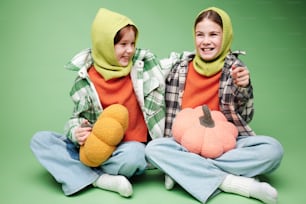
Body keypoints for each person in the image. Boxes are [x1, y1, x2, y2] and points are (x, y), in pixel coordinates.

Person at [145, 7, 283, 204]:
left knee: (273, 150)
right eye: (200, 35)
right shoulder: (179, 68)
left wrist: (243, 88)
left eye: (213, 34)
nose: (206, 41)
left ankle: (184, 171)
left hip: (224, 145)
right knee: (154, 149)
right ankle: (235, 183)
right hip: (184, 145)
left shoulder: (236, 70)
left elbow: (245, 117)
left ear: (225, 36)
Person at [30, 8, 166, 198]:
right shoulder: (85, 79)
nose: (129, 50)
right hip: (93, 146)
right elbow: (76, 119)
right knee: (41, 140)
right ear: (104, 45)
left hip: (125, 148)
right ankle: (100, 179)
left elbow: (172, 67)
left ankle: (80, 174)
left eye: (132, 43)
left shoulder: (143, 67)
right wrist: (76, 132)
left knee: (136, 156)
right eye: (122, 44)